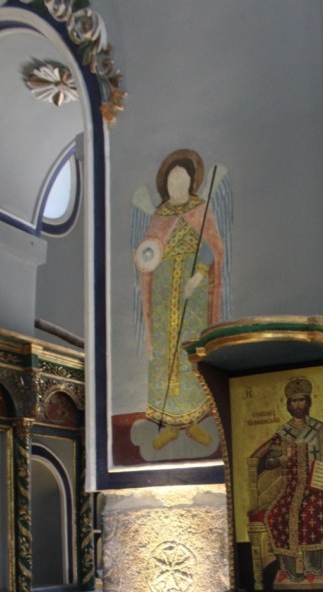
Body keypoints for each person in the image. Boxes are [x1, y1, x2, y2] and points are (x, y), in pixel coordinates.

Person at [133, 149, 225, 450]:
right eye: (172, 181)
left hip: (192, 290)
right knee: (164, 352)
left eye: (182, 180)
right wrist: (146, 258)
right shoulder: (160, 215)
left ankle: (193, 421)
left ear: (192, 183)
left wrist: (197, 277)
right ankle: (169, 424)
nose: (177, 185)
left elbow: (212, 249)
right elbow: (149, 251)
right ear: (165, 185)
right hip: (163, 289)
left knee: (189, 350)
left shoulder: (200, 210)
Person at [258, 376, 323, 586]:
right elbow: (269, 462)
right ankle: (290, 568)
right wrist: (282, 459)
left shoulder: (319, 429)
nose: (298, 405)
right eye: (294, 401)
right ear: (288, 404)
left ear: (308, 402)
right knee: (276, 515)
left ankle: (315, 567)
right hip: (291, 487)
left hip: (318, 487)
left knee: (310, 513)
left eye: (301, 400)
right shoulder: (282, 433)